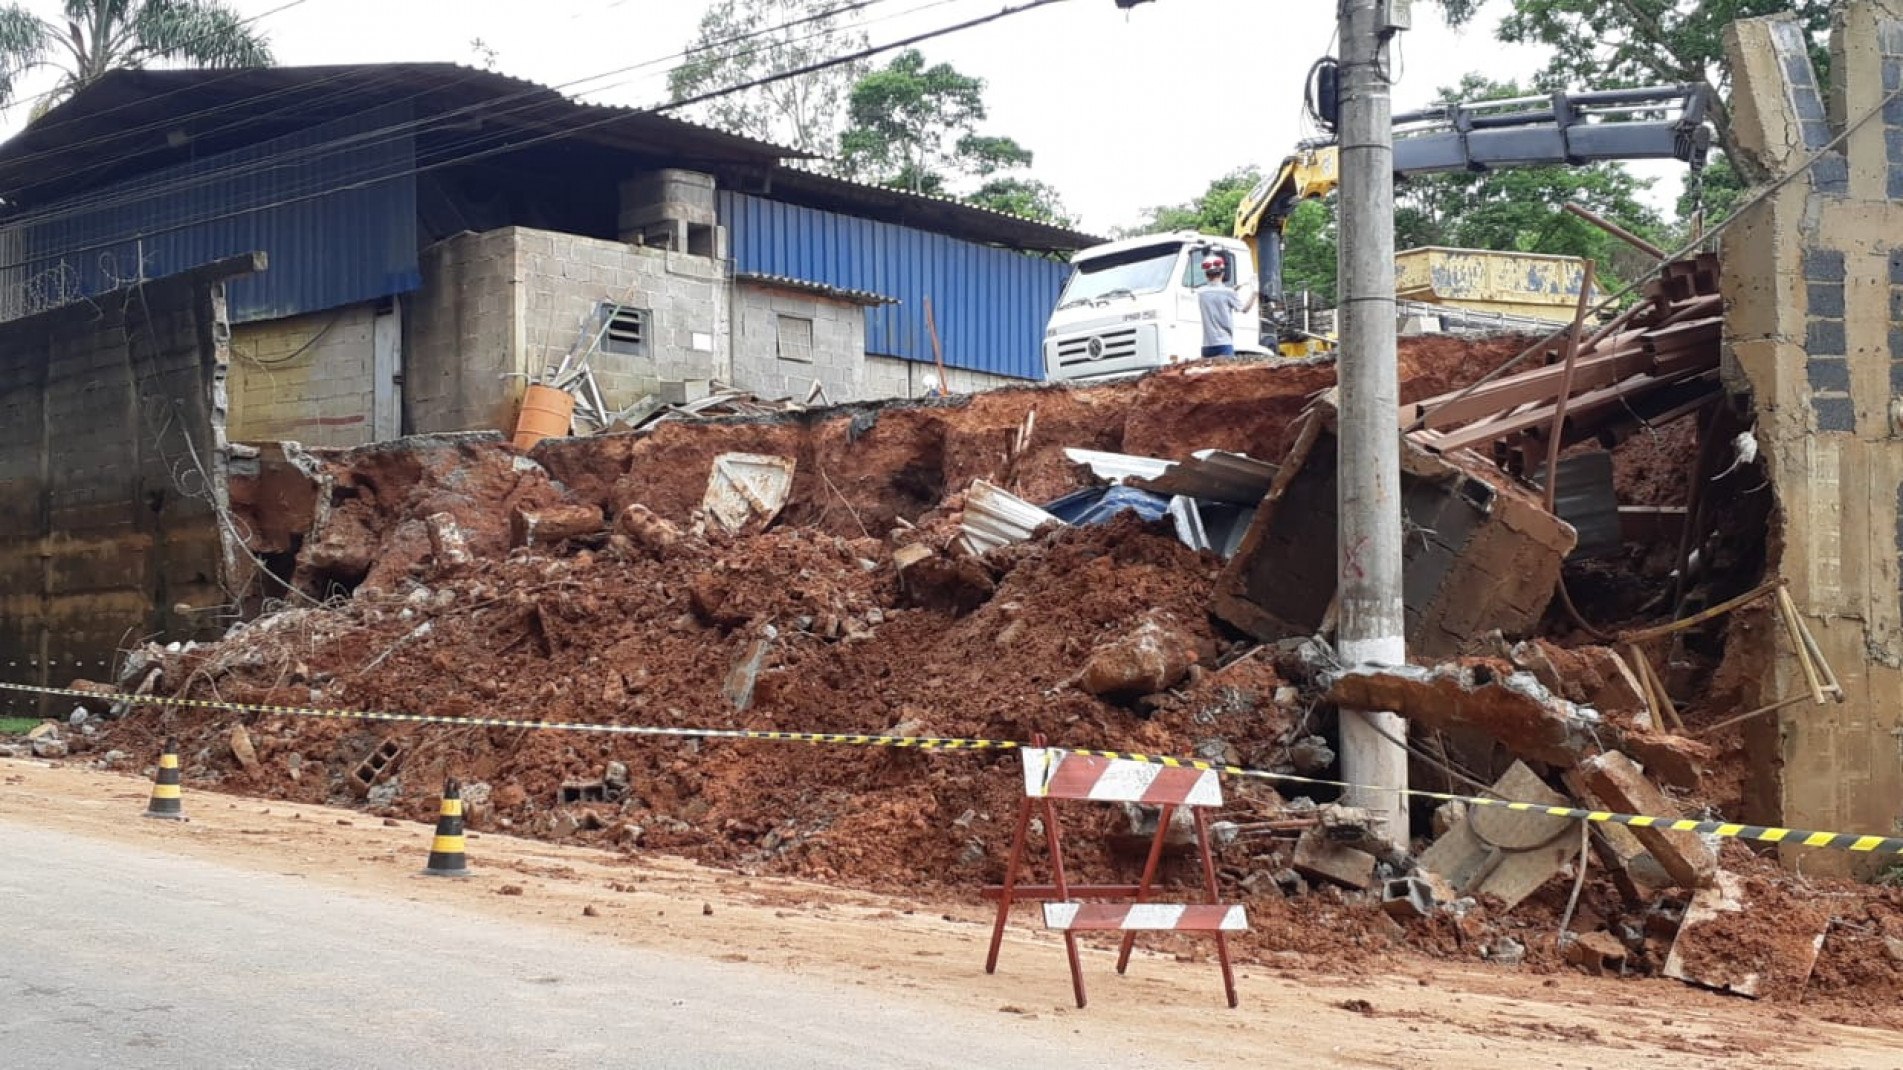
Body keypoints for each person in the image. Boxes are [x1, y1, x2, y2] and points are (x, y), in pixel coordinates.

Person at [1196, 254, 1258, 358]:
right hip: (1224, 344)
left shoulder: (1201, 292)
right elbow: (1244, 309)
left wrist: (1231, 290)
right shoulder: (1228, 293)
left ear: (1206, 275)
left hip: (1206, 346)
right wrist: (1255, 292)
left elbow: (1215, 293)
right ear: (1222, 273)